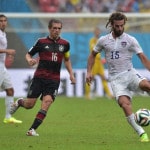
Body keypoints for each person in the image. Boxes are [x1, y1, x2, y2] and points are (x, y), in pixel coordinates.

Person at [86, 12, 150, 142]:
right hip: (116, 79)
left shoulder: (131, 40)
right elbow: (92, 54)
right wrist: (89, 72)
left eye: (122, 26)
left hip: (130, 73)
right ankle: (141, 132)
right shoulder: (103, 40)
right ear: (111, 25)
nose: (120, 28)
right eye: (117, 26)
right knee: (124, 104)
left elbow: (142, 57)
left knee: (146, 85)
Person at [10, 19, 76, 136]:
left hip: (54, 79)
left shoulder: (65, 44)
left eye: (59, 28)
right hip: (39, 77)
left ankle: (32, 130)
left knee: (47, 101)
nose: (57, 30)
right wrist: (30, 60)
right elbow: (28, 54)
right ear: (49, 29)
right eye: (54, 28)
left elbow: (67, 59)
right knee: (29, 105)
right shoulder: (41, 42)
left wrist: (71, 74)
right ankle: (20, 102)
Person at [0, 14, 22, 124]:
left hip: (2, 66)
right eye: (1, 21)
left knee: (10, 90)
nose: (3, 22)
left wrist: (7, 55)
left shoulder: (3, 34)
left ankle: (8, 117)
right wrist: (7, 51)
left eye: (4, 20)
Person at [85, 27, 113, 99]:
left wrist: (103, 58)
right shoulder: (92, 40)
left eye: (98, 31)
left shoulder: (100, 40)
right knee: (91, 78)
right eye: (96, 31)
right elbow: (93, 50)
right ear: (94, 32)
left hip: (99, 62)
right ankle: (87, 95)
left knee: (103, 77)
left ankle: (109, 94)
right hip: (94, 62)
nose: (98, 33)